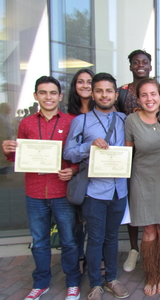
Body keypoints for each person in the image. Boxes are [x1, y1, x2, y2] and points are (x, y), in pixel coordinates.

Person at [2, 76, 81, 300]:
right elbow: (21, 155)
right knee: (39, 241)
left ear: (60, 96)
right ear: (36, 96)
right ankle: (41, 282)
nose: (48, 97)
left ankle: (73, 282)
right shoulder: (26, 123)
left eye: (52, 93)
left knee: (68, 240)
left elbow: (77, 155)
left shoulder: (71, 121)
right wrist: (9, 150)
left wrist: (73, 170)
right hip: (34, 192)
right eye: (43, 93)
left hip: (62, 191)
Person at [64, 73, 129, 300]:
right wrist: (88, 146)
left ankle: (111, 278)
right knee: (95, 238)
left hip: (119, 189)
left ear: (115, 94)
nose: (104, 95)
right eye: (99, 90)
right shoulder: (80, 121)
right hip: (94, 190)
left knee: (112, 237)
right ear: (93, 94)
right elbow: (68, 153)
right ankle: (94, 284)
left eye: (108, 91)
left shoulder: (125, 120)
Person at [116, 49, 160, 273]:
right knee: (143, 223)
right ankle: (140, 258)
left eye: (145, 62)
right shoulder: (123, 96)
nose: (150, 99)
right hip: (139, 169)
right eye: (136, 62)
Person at [124, 78, 160, 296]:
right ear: (138, 98)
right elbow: (127, 155)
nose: (150, 99)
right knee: (148, 229)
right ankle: (151, 274)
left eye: (153, 94)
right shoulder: (131, 121)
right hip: (142, 180)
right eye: (144, 95)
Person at [67, 68, 95, 274]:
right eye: (80, 81)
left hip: (99, 179)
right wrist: (73, 170)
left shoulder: (105, 114)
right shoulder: (67, 116)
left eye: (89, 81)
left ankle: (94, 261)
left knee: (95, 225)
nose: (85, 85)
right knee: (76, 222)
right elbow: (65, 151)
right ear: (74, 86)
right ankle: (78, 259)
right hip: (74, 177)